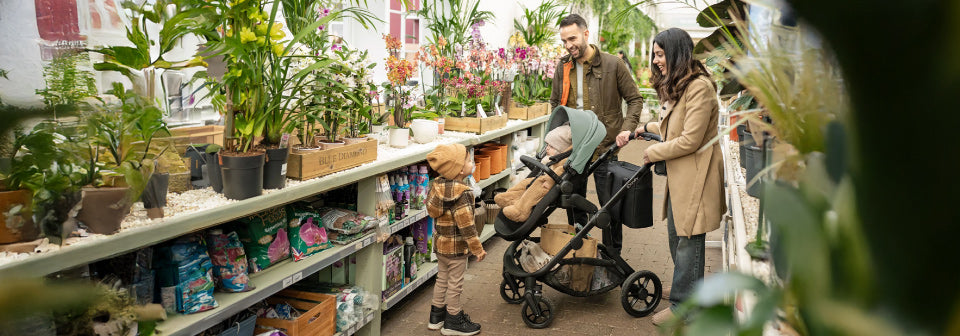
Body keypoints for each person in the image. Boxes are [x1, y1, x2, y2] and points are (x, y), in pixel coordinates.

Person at [635, 28, 726, 326]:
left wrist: (653, 153)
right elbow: (673, 126)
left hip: (696, 175)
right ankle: (691, 294)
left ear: (676, 52)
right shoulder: (683, 84)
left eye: (660, 54)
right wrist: (646, 127)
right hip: (681, 175)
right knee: (678, 237)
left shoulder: (699, 87)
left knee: (688, 240)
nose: (656, 60)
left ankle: (683, 307)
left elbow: (690, 140)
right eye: (655, 54)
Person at [550, 13, 644, 256]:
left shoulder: (613, 65)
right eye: (564, 41)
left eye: (572, 38)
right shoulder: (563, 67)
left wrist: (626, 129)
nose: (569, 45)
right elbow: (555, 104)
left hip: (605, 147)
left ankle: (613, 257)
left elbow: (634, 99)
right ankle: (581, 252)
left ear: (586, 34)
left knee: (609, 208)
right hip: (575, 150)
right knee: (574, 202)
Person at [425, 143, 487, 336]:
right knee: (455, 284)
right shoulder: (463, 194)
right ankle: (453, 320)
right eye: (469, 160)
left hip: (441, 246)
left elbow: (431, 211)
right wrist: (477, 249)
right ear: (460, 170)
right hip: (456, 249)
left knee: (441, 279)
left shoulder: (437, 186)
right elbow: (467, 226)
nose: (472, 162)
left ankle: (436, 317)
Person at [495, 124, 573, 222]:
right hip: (541, 178)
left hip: (546, 185)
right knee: (525, 183)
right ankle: (509, 198)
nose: (547, 148)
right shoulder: (553, 158)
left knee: (532, 192)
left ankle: (520, 212)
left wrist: (549, 181)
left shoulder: (564, 161)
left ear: (562, 150)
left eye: (552, 147)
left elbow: (560, 171)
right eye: (547, 145)